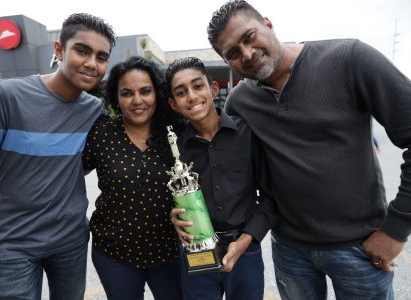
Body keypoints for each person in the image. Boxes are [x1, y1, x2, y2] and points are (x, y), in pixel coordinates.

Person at [206, 0, 411, 299]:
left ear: (267, 23)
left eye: (249, 37)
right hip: (290, 252)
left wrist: (396, 228)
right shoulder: (240, 103)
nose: (247, 54)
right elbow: (232, 172)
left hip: (361, 248)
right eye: (233, 53)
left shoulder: (350, 58)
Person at [0, 13, 115, 299]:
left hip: (71, 242)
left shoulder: (96, 110)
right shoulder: (4, 96)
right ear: (59, 50)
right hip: (13, 244)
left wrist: (18, 169)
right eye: (82, 50)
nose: (92, 63)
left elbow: (76, 162)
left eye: (101, 56)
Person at [166, 57, 277, 300]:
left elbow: (270, 198)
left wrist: (246, 241)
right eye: (181, 92)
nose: (192, 96)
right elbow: (169, 198)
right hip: (196, 252)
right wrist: (173, 217)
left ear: (213, 89)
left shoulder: (248, 134)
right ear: (173, 104)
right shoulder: (174, 149)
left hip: (245, 249)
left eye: (198, 86)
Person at [82, 56, 184, 300]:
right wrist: (7, 171)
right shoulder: (102, 133)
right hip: (114, 253)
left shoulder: (176, 132)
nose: (137, 101)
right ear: (116, 98)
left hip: (169, 251)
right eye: (127, 93)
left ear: (157, 94)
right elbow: (70, 169)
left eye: (145, 91)